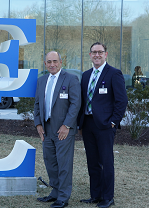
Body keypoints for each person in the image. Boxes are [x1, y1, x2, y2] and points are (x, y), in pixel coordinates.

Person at [78, 42, 128, 208]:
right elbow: (83, 101)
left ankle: (108, 197)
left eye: (100, 52)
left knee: (106, 162)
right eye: (94, 52)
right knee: (92, 161)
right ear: (90, 55)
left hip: (106, 125)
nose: (97, 55)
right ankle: (95, 195)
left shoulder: (114, 73)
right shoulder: (85, 75)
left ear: (106, 54)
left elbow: (122, 101)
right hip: (88, 123)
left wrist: (113, 121)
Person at [34, 51, 81, 208]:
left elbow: (75, 104)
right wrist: (38, 124)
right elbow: (37, 104)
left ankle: (63, 197)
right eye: (49, 62)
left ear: (61, 62)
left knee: (63, 163)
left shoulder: (71, 79)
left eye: (55, 61)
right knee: (50, 162)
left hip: (63, 130)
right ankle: (54, 192)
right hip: (46, 128)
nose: (52, 64)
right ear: (45, 63)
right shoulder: (41, 81)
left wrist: (67, 125)